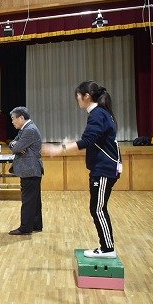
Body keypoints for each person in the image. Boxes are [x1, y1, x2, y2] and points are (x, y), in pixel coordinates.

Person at [45, 81, 122, 258]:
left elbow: (87, 141)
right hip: (104, 167)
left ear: (86, 96)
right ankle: (106, 247)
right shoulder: (101, 113)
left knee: (98, 209)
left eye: (78, 96)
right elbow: (93, 139)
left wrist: (59, 149)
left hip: (104, 168)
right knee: (97, 208)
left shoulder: (97, 114)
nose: (77, 100)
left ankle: (107, 249)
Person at [8, 106, 43, 235]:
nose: (12, 121)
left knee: (28, 200)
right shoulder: (25, 128)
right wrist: (15, 145)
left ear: (21, 118)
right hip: (31, 169)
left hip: (30, 169)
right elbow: (13, 143)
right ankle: (36, 225)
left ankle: (25, 228)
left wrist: (16, 146)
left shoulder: (29, 130)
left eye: (13, 118)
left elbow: (16, 148)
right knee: (34, 200)